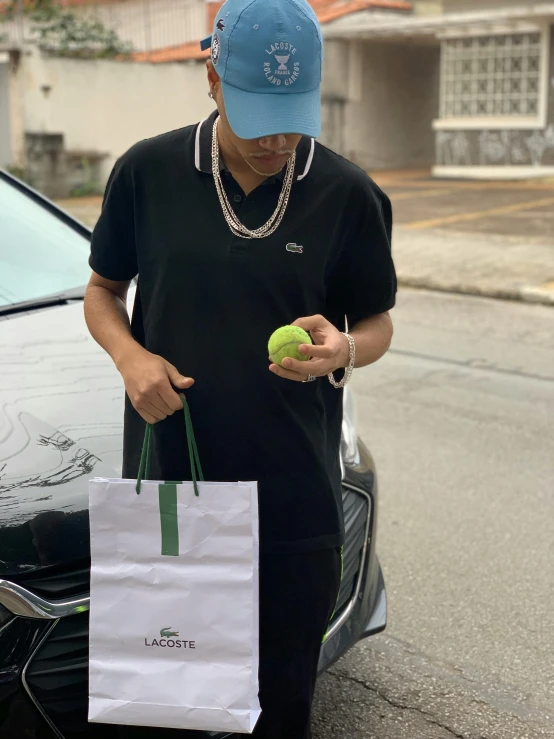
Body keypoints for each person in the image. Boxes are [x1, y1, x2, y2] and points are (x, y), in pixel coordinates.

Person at [84, 0, 396, 736]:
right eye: (261, 114)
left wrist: (344, 349)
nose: (280, 138)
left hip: (295, 507)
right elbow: (102, 292)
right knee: (170, 707)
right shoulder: (146, 172)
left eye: (295, 114)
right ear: (213, 79)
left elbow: (376, 322)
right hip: (174, 495)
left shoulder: (348, 194)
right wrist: (131, 358)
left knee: (280, 708)